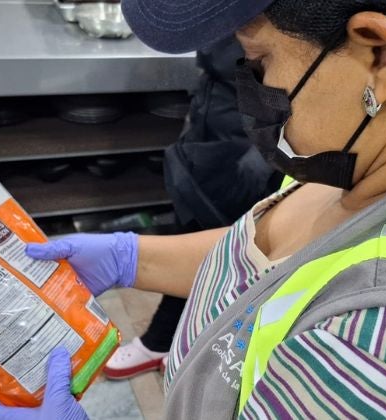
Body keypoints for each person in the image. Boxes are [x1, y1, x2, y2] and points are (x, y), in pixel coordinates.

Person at [0, 0, 386, 418]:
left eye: (259, 62)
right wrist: (133, 258)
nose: (252, 90)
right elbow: (287, 270)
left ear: (379, 56)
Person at [104, 35, 281, 380]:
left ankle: (162, 341)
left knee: (222, 245)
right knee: (193, 225)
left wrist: (266, 153)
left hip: (254, 144)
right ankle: (174, 340)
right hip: (213, 120)